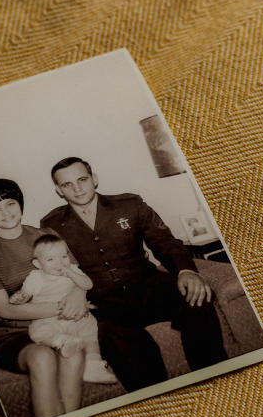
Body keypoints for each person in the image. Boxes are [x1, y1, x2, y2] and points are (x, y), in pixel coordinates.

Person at [40, 157, 228, 392]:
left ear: (94, 179)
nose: (77, 188)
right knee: (114, 340)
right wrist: (76, 292)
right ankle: (157, 401)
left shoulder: (130, 205)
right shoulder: (52, 224)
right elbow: (57, 269)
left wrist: (186, 270)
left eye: (82, 179)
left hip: (149, 287)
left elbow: (165, 241)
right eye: (67, 185)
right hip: (106, 304)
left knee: (199, 297)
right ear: (58, 190)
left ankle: (216, 381)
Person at [0, 179, 116, 417]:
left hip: (68, 325)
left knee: (75, 350)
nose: (5, 212)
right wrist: (64, 308)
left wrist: (78, 296)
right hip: (15, 333)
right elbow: (5, 309)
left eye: (10, 203)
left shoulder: (47, 235)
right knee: (43, 357)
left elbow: (75, 275)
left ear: (20, 204)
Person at [9, 234, 100, 360]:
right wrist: (20, 298)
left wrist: (72, 274)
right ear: (38, 264)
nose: (60, 262)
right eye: (50, 259)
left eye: (63, 256)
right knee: (37, 332)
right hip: (48, 320)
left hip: (77, 317)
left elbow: (88, 285)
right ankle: (63, 341)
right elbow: (26, 294)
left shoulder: (73, 269)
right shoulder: (36, 277)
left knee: (90, 332)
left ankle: (94, 364)